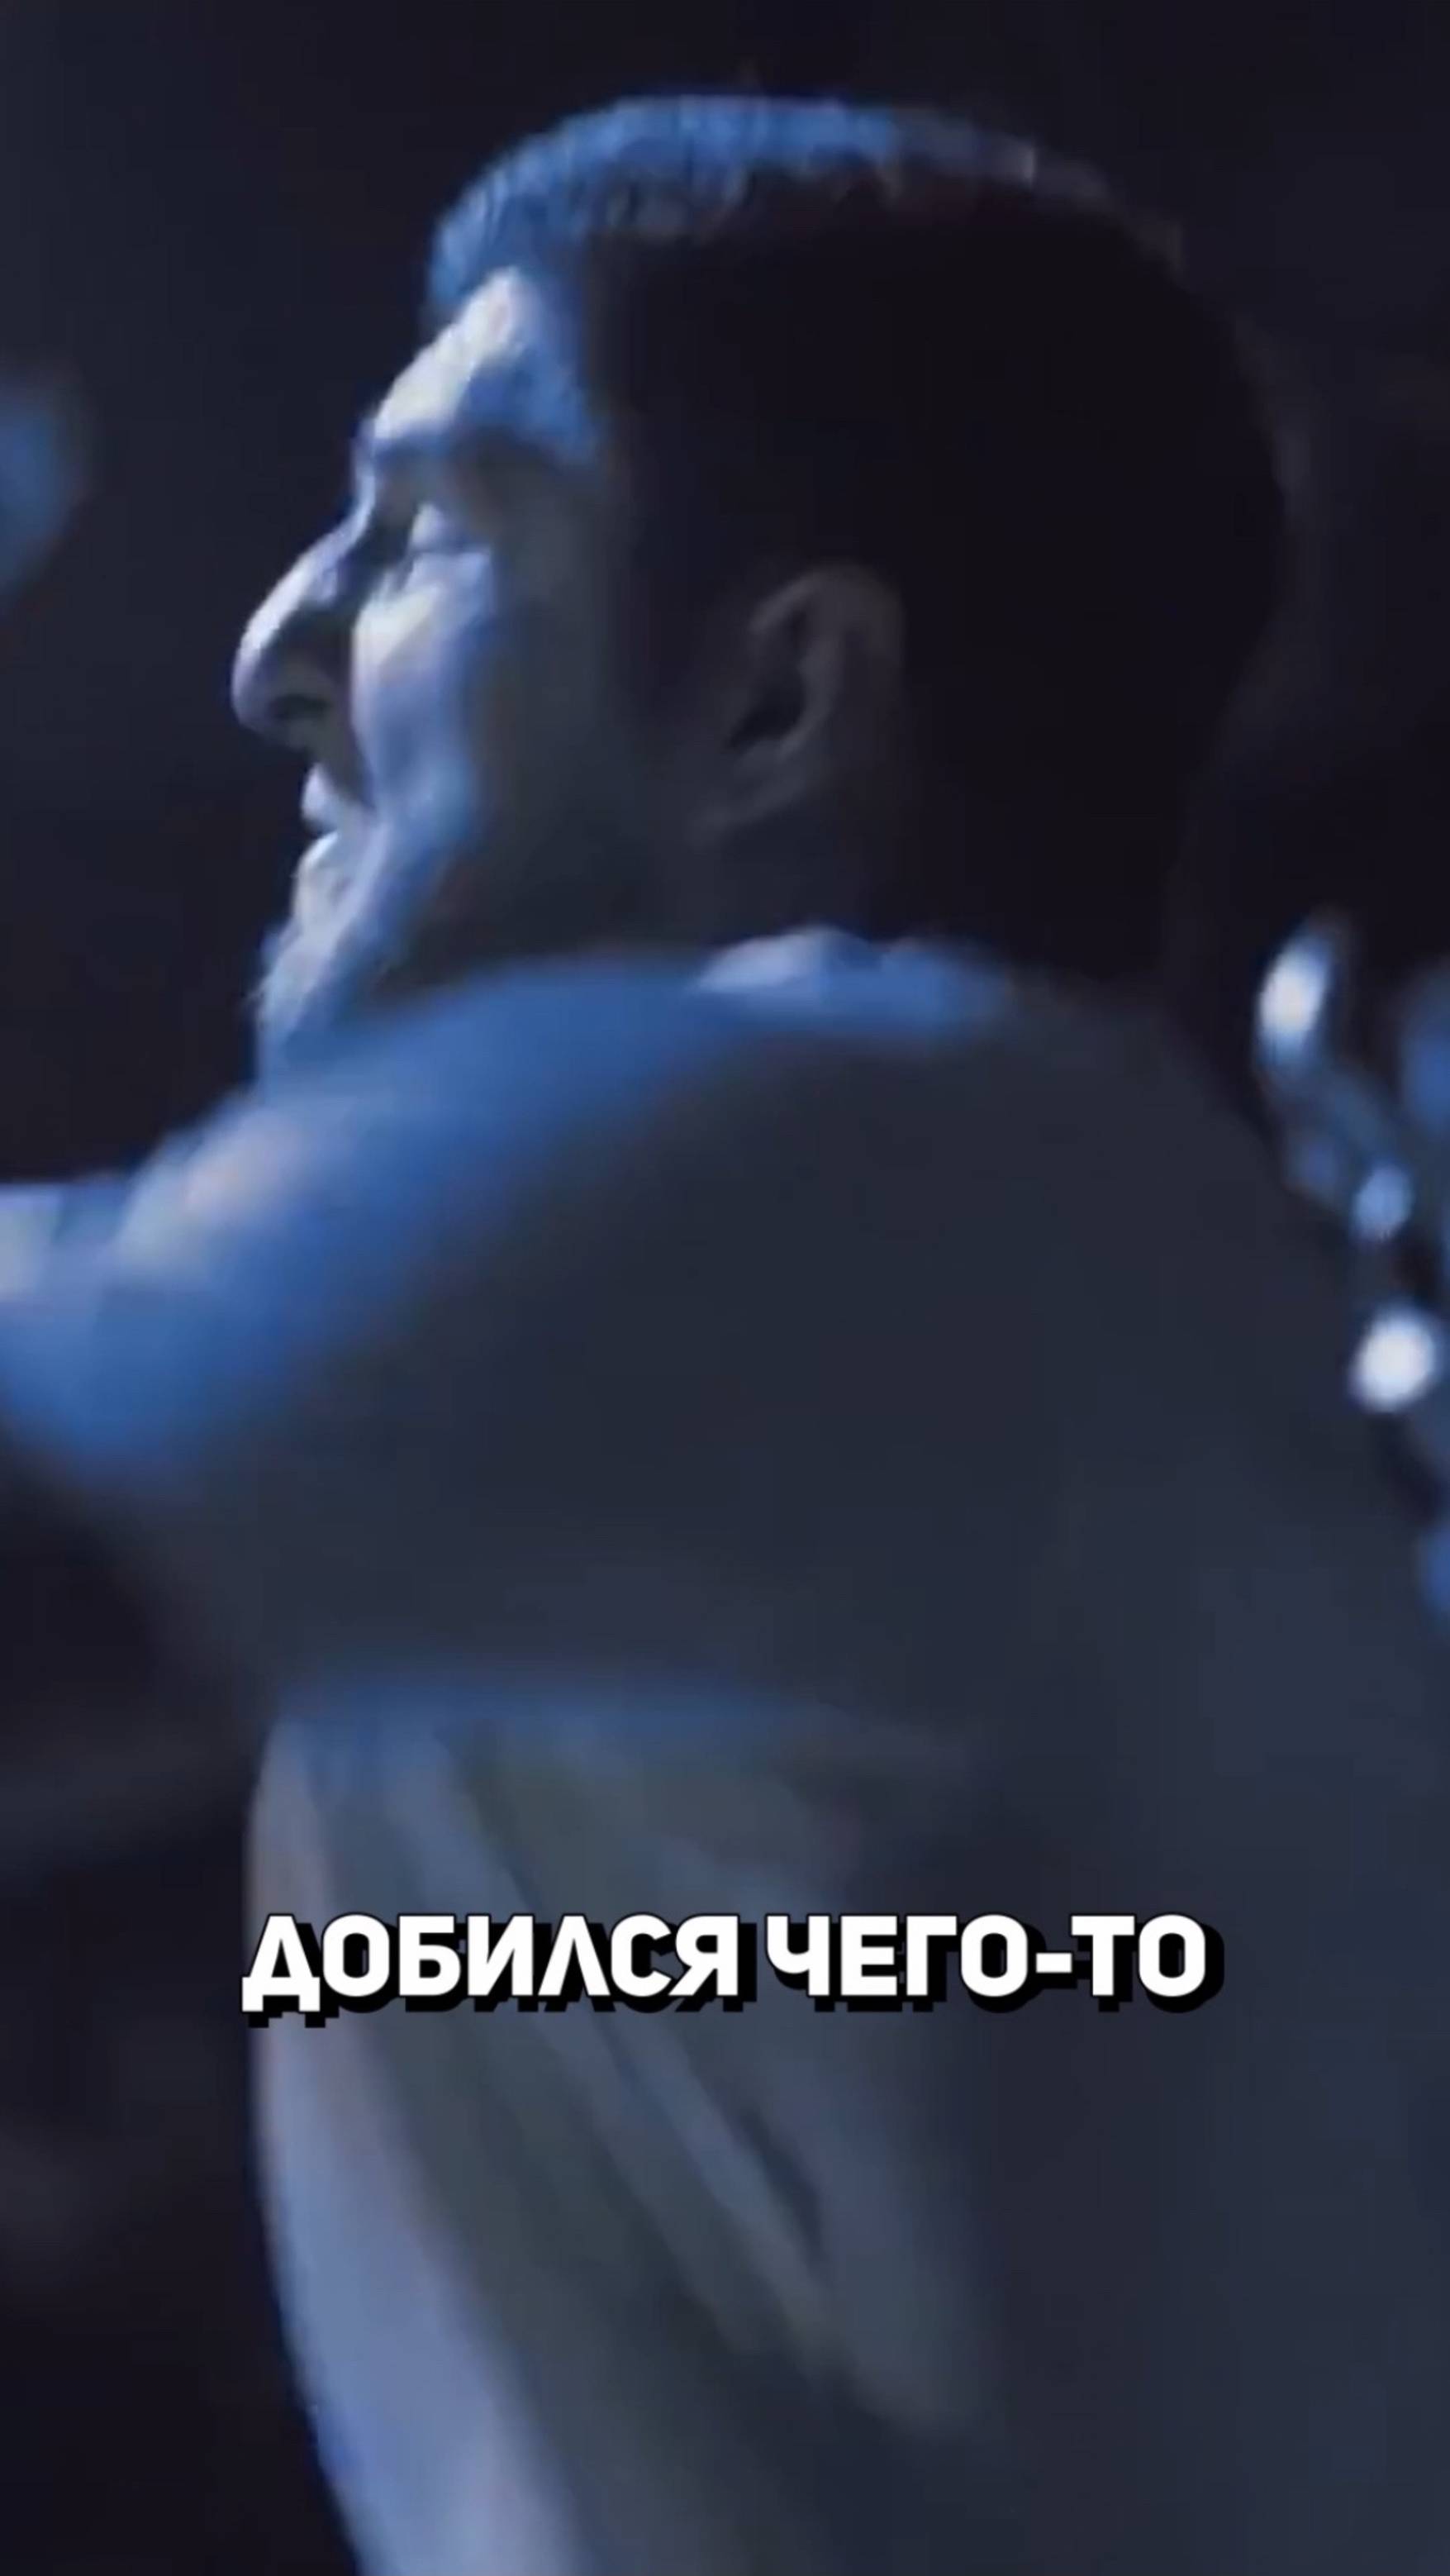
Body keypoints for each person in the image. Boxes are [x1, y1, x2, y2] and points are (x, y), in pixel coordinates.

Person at [2, 94, 1448, 2576]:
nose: (273, 653)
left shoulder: (872, 1150)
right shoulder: (972, 1290)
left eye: (426, 528)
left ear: (782, 700)